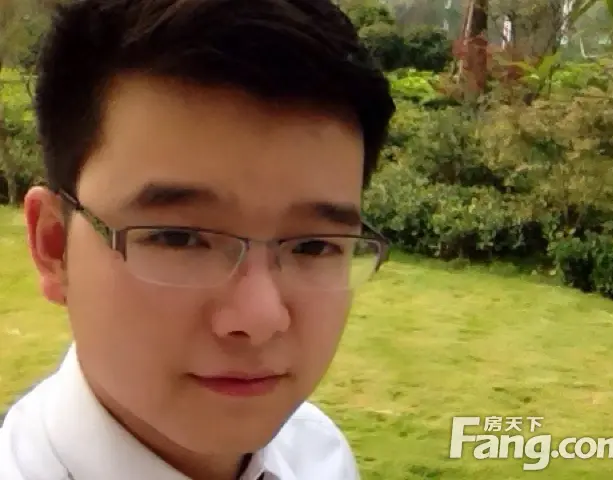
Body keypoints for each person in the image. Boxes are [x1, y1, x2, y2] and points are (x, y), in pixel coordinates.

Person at [0, 0, 395, 478]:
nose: (260, 318)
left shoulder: (318, 456)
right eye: (180, 239)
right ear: (54, 246)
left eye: (314, 246)